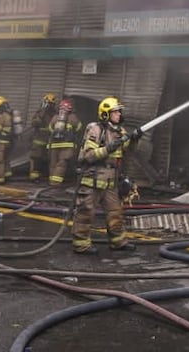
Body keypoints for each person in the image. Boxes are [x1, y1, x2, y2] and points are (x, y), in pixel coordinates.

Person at [71, 96, 143, 254]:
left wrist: (134, 140)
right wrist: (109, 148)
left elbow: (129, 151)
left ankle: (118, 242)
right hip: (92, 179)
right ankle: (81, 244)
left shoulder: (120, 131)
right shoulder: (95, 129)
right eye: (115, 112)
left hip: (111, 181)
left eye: (119, 111)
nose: (119, 114)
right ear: (105, 114)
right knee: (86, 212)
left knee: (115, 212)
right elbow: (88, 156)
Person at [46, 96, 82, 186]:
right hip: (67, 145)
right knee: (61, 163)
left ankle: (51, 181)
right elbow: (79, 128)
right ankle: (55, 183)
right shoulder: (73, 117)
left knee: (53, 163)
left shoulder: (55, 117)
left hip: (54, 145)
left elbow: (50, 129)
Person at [0, 96, 22, 184]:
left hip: (1, 143)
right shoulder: (10, 115)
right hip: (9, 142)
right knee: (6, 159)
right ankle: (7, 176)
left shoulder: (0, 116)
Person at [27, 93, 57, 182]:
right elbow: (34, 123)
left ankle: (44, 176)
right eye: (49, 104)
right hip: (39, 139)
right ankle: (34, 177)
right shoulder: (40, 113)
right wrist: (42, 114)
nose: (50, 106)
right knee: (36, 158)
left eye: (52, 104)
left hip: (49, 140)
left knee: (47, 159)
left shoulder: (55, 114)